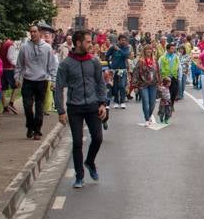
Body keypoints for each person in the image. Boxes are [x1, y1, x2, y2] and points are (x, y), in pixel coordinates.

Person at [55, 30, 108, 188]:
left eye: (91, 42)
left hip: (92, 105)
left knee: (98, 138)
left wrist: (102, 103)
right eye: (87, 42)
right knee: (77, 142)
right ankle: (79, 176)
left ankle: (90, 162)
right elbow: (58, 88)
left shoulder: (94, 62)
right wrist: (61, 111)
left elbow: (101, 84)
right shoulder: (66, 64)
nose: (91, 45)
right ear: (78, 43)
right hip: (75, 107)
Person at [15, 23, 58, 140]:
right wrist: (17, 78)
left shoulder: (47, 47)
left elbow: (52, 66)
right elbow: (19, 64)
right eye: (31, 32)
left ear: (40, 33)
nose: (33, 34)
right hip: (28, 80)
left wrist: (53, 81)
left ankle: (37, 130)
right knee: (27, 106)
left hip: (42, 81)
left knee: (39, 107)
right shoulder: (25, 47)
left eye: (35, 31)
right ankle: (30, 125)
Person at [132, 44, 160, 126]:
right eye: (147, 49)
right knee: (145, 101)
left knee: (152, 103)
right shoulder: (140, 61)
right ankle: (147, 119)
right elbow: (135, 73)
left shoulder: (155, 60)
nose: (149, 51)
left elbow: (158, 72)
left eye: (150, 49)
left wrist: (159, 83)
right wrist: (135, 86)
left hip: (153, 84)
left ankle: (149, 115)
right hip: (143, 84)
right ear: (144, 51)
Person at [106, 34, 131, 109]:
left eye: (124, 40)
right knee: (115, 86)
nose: (123, 41)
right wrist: (109, 64)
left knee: (122, 85)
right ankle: (116, 101)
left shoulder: (126, 48)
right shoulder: (113, 48)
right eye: (122, 40)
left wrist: (119, 50)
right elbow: (107, 55)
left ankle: (122, 101)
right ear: (119, 40)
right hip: (114, 70)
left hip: (122, 70)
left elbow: (126, 55)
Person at [0, 37, 20, 114]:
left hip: (2, 68)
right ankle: (11, 103)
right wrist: (17, 65)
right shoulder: (10, 44)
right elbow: (10, 57)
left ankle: (5, 107)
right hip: (9, 68)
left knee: (3, 89)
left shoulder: (3, 44)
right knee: (17, 85)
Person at [159, 41, 180, 111]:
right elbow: (159, 67)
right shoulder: (162, 58)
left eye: (174, 49)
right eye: (171, 49)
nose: (173, 50)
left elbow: (179, 67)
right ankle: (166, 106)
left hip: (174, 77)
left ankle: (172, 104)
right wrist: (159, 77)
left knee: (174, 92)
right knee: (166, 93)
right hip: (165, 78)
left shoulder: (176, 57)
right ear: (167, 50)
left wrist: (179, 77)